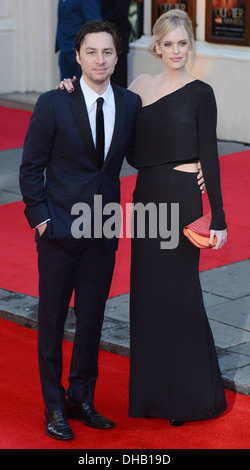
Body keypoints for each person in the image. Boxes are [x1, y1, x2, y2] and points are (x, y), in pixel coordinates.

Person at [19, 20, 142, 440]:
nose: (100, 60)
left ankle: (81, 398)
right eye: (92, 52)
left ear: (116, 56)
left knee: (91, 321)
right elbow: (31, 167)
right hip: (57, 230)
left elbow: (146, 153)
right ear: (77, 55)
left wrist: (194, 164)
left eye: (107, 52)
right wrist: (41, 220)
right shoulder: (54, 103)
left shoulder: (129, 104)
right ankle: (54, 407)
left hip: (102, 231)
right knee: (52, 322)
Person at [128, 10, 227, 425]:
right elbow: (121, 145)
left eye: (182, 43)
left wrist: (217, 217)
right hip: (147, 199)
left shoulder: (201, 92)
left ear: (191, 45)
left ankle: (189, 399)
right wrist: (70, 88)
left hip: (183, 201)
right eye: (168, 43)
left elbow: (211, 157)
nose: (175, 51)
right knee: (148, 296)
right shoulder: (137, 87)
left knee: (179, 295)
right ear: (156, 46)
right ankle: (153, 397)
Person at [56, 0, 101, 80]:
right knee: (65, 89)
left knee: (82, 89)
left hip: (79, 51)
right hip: (64, 49)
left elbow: (95, 26)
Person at [101, 0, 131, 87]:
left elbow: (120, 11)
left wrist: (99, 20)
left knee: (118, 80)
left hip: (117, 38)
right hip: (104, 38)